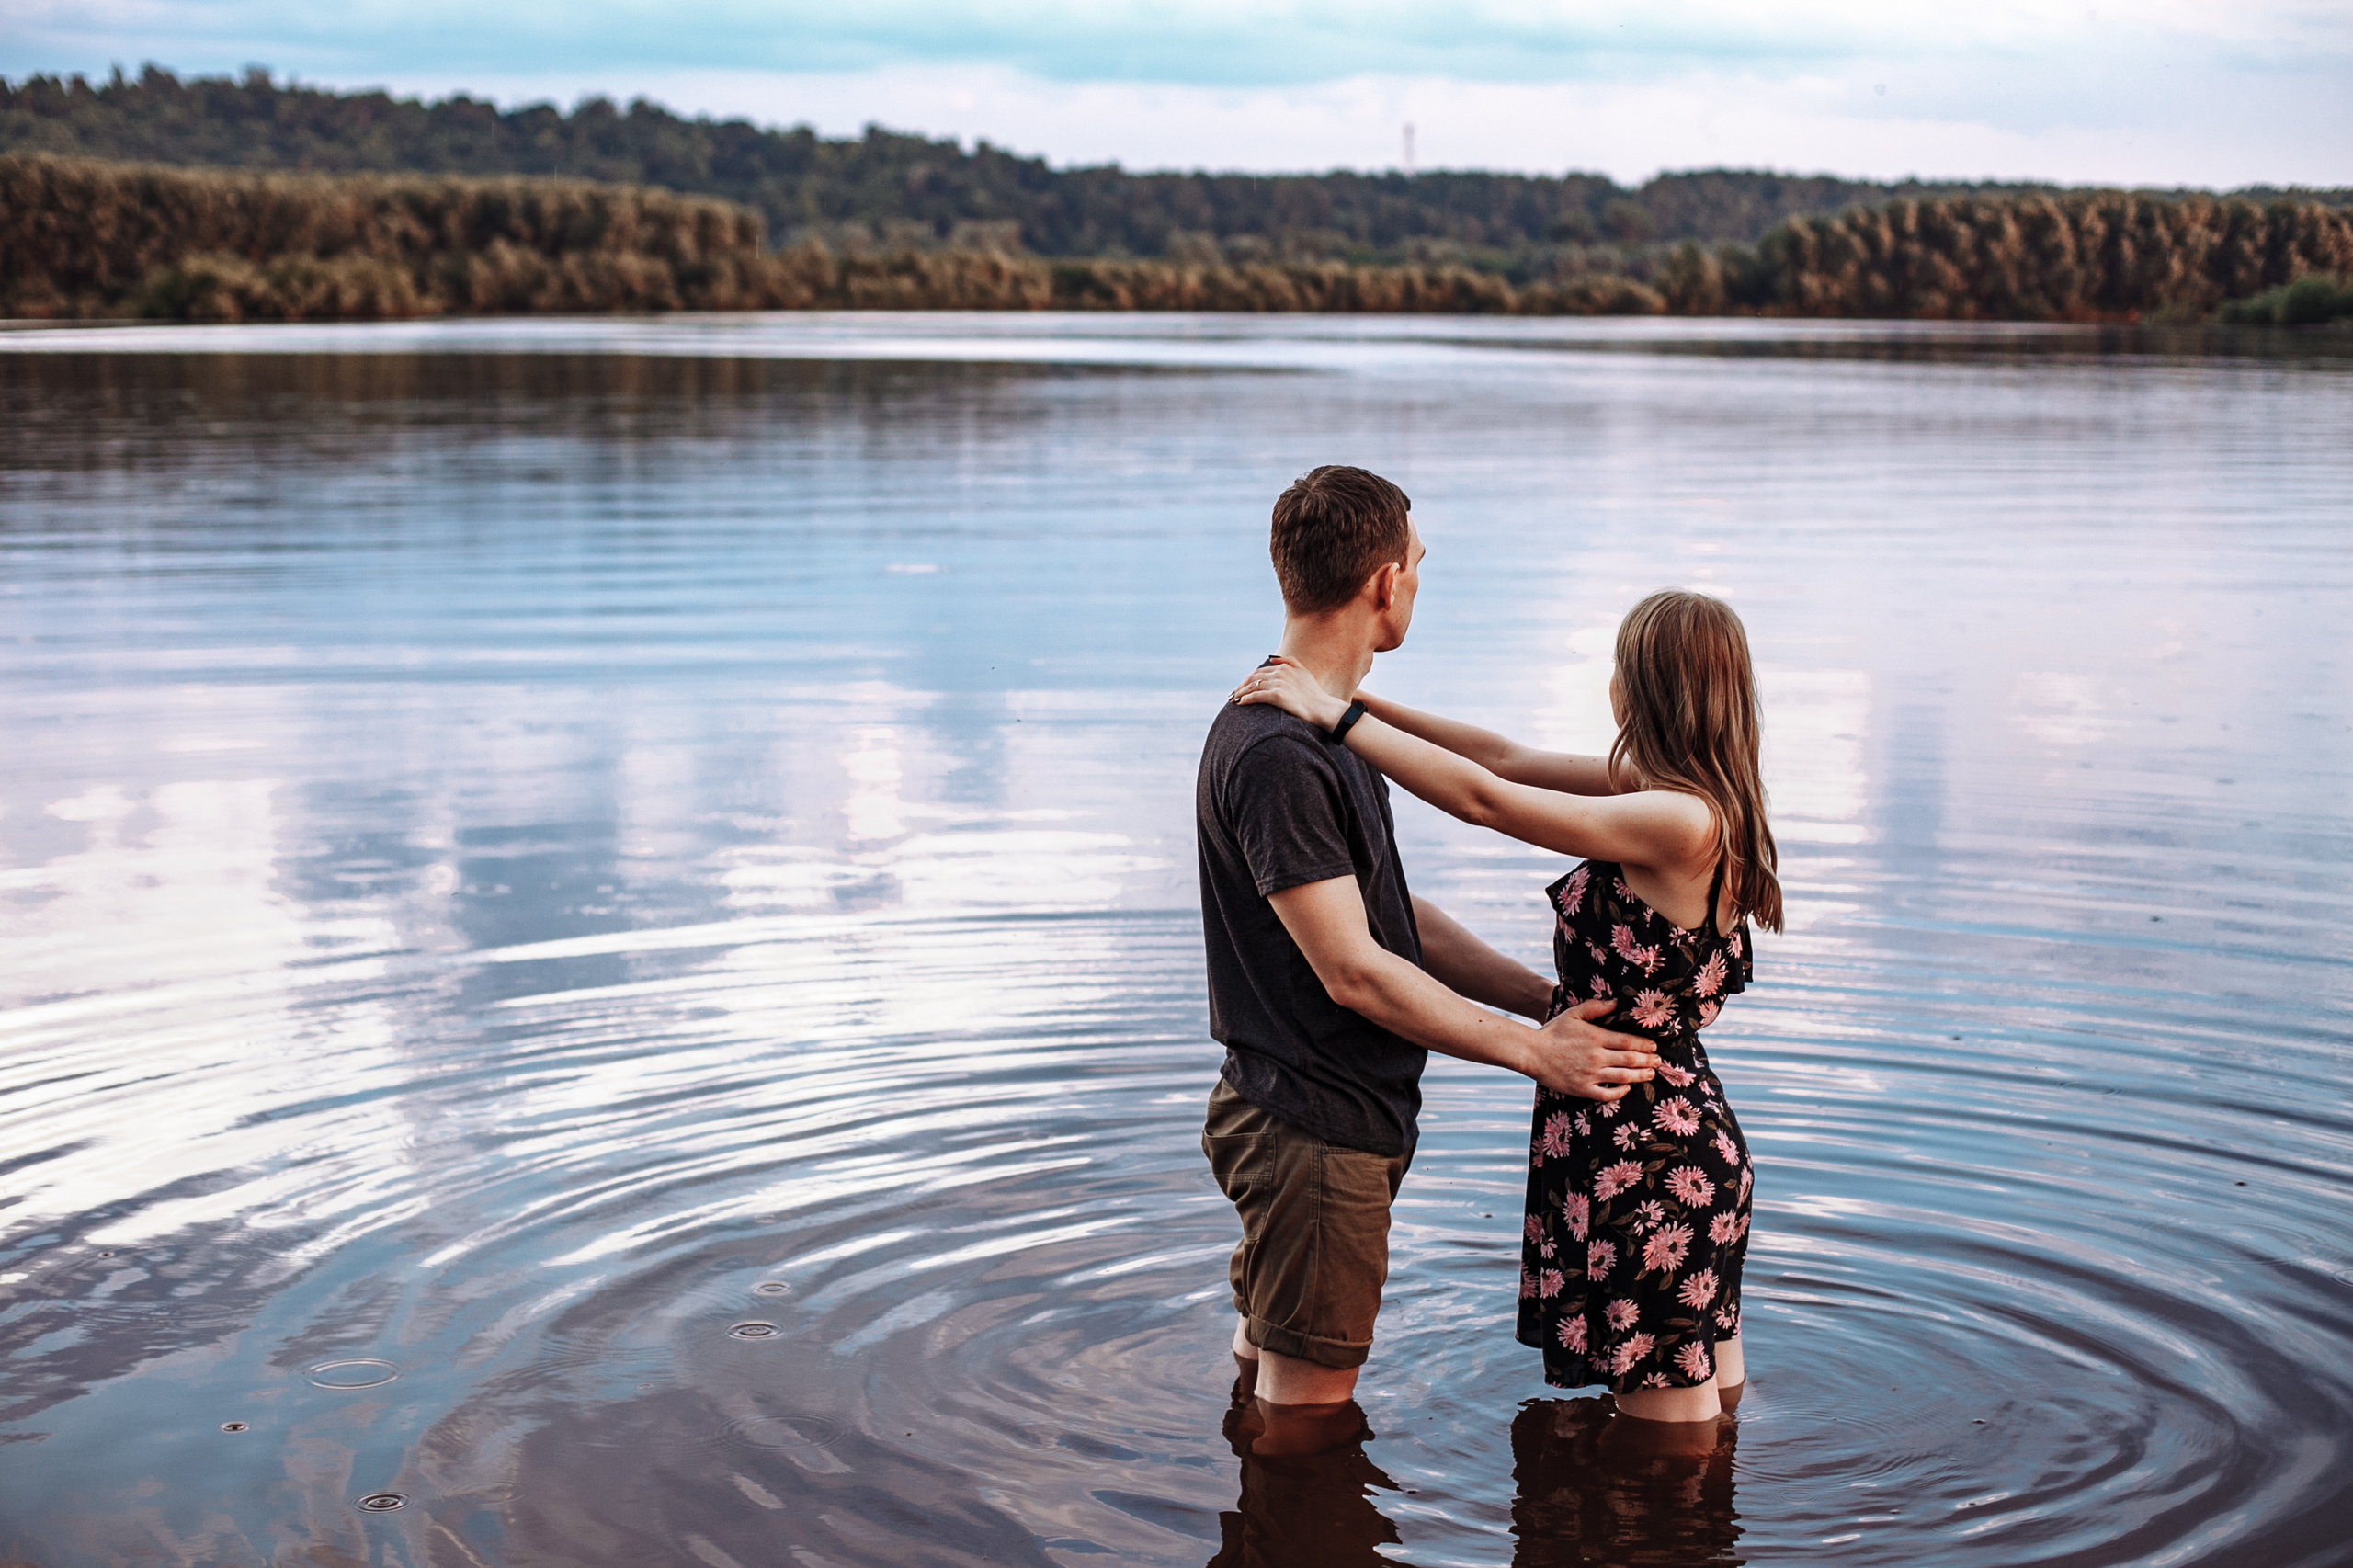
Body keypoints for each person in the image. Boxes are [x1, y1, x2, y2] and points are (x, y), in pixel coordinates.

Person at [1233, 587, 1779, 1430]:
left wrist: (1336, 725)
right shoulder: (1677, 795)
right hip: (1659, 1132)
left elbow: (1491, 805)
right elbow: (1505, 759)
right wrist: (1347, 696)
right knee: (1708, 1401)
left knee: (1673, 1447)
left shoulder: (1680, 821)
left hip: (1651, 1162)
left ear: (1640, 688)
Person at [1196, 465, 1661, 1446]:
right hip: (1311, 1128)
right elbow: (1351, 968)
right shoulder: (1281, 750)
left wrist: (1544, 1002)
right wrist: (1539, 1055)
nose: (1415, 583)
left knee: (1275, 1373)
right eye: (1416, 565)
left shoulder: (1328, 729)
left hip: (1320, 1117)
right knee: (1305, 1427)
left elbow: (1389, 913)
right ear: (1382, 582)